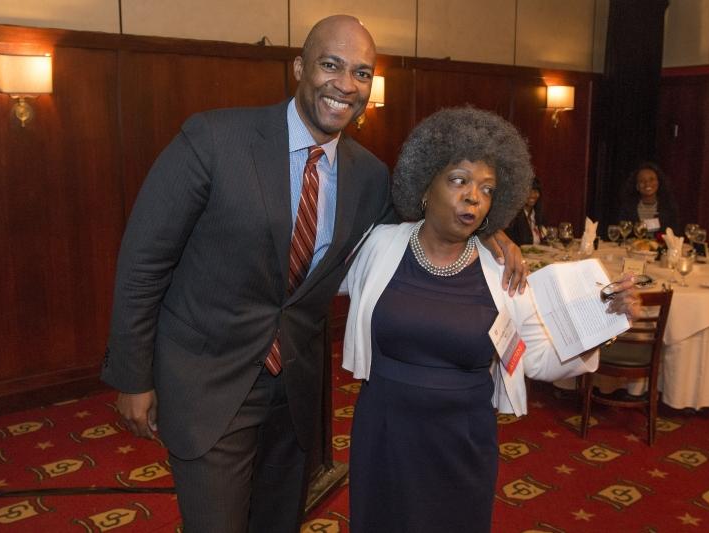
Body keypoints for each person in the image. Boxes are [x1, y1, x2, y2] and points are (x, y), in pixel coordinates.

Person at [100, 16, 528, 533]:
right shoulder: (214, 139)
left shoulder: (369, 176)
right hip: (207, 381)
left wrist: (491, 231)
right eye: (332, 65)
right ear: (300, 67)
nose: (346, 85)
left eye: (362, 73)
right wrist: (133, 376)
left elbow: (427, 227)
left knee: (278, 523)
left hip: (296, 394)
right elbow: (144, 262)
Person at [342, 107, 640, 533]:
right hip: (385, 434)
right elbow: (314, 275)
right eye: (459, 180)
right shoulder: (378, 246)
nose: (473, 197)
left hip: (462, 442)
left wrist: (603, 322)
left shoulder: (503, 273)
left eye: (487, 189)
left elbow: (536, 359)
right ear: (426, 185)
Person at [615, 161, 680, 235]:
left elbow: (674, 235)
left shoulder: (669, 207)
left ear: (658, 183)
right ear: (637, 186)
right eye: (642, 181)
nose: (647, 184)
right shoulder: (628, 207)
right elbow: (623, 234)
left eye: (651, 179)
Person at [506, 177, 544, 245]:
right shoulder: (513, 218)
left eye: (535, 191)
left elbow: (544, 239)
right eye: (528, 191)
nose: (532, 195)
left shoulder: (538, 215)